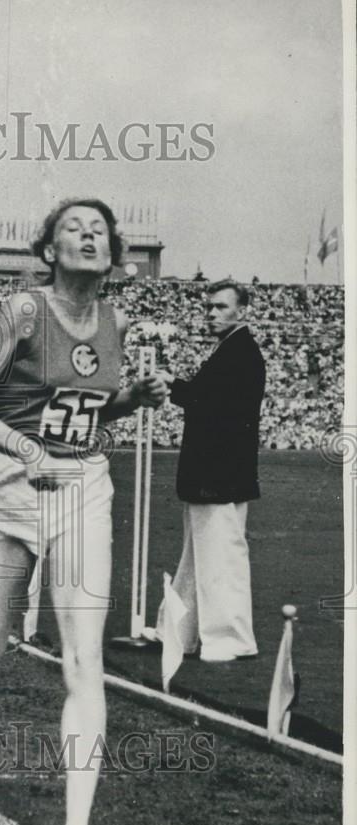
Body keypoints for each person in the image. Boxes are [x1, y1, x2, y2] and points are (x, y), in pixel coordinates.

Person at [0, 199, 167, 825]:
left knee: (85, 661)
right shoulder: (20, 312)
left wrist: (130, 398)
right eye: (74, 227)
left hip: (82, 487)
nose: (88, 235)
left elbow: (89, 407)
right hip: (9, 486)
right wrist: (23, 447)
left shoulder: (117, 321)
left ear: (114, 251)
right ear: (48, 247)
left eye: (99, 229)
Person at [156, 281, 265, 662]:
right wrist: (179, 387)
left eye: (220, 307)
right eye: (209, 307)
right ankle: (180, 631)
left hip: (218, 473)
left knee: (219, 556)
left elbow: (210, 404)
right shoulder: (232, 351)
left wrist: (175, 386)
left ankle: (230, 638)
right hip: (219, 472)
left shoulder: (240, 353)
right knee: (201, 554)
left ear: (242, 311)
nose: (212, 314)